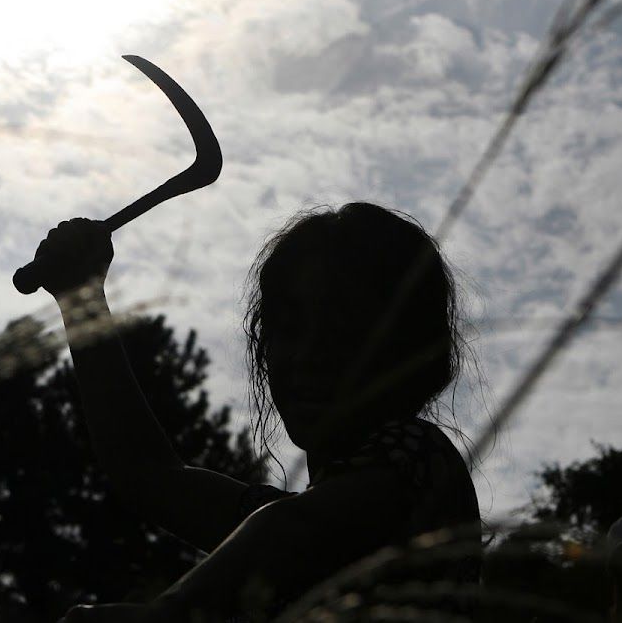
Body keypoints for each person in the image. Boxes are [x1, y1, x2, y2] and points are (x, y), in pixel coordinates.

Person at [32, 202, 482, 622]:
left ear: (409, 350)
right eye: (287, 327)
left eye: (343, 327)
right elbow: (149, 475)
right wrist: (81, 297)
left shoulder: (420, 461)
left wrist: (171, 613)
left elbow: (292, 530)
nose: (307, 354)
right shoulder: (289, 534)